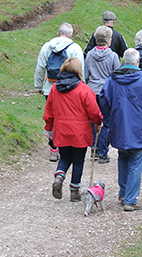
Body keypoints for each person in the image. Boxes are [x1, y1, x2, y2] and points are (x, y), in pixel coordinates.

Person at [99, 48, 142, 211]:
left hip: (119, 126)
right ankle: (130, 199)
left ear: (124, 61)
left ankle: (124, 192)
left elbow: (103, 101)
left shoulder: (112, 80)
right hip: (139, 127)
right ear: (137, 62)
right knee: (135, 161)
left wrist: (110, 116)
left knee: (123, 157)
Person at [44, 58, 103, 202]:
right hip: (79, 132)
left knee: (64, 157)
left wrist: (49, 129)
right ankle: (74, 192)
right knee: (78, 160)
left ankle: (59, 177)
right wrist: (98, 122)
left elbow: (48, 112)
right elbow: (94, 111)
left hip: (61, 130)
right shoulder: (83, 89)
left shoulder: (54, 88)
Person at [34, 22, 84, 161]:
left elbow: (40, 67)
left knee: (52, 117)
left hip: (50, 88)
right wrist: (82, 87)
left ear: (58, 33)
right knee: (65, 117)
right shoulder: (75, 48)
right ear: (71, 34)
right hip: (71, 90)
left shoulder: (47, 46)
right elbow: (81, 70)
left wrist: (39, 86)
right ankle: (66, 146)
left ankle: (53, 148)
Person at [84, 26, 120, 163]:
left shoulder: (89, 55)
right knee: (105, 122)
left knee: (93, 121)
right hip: (107, 92)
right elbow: (116, 76)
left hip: (92, 92)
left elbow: (86, 75)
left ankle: (93, 148)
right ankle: (103, 152)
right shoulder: (113, 56)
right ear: (108, 41)